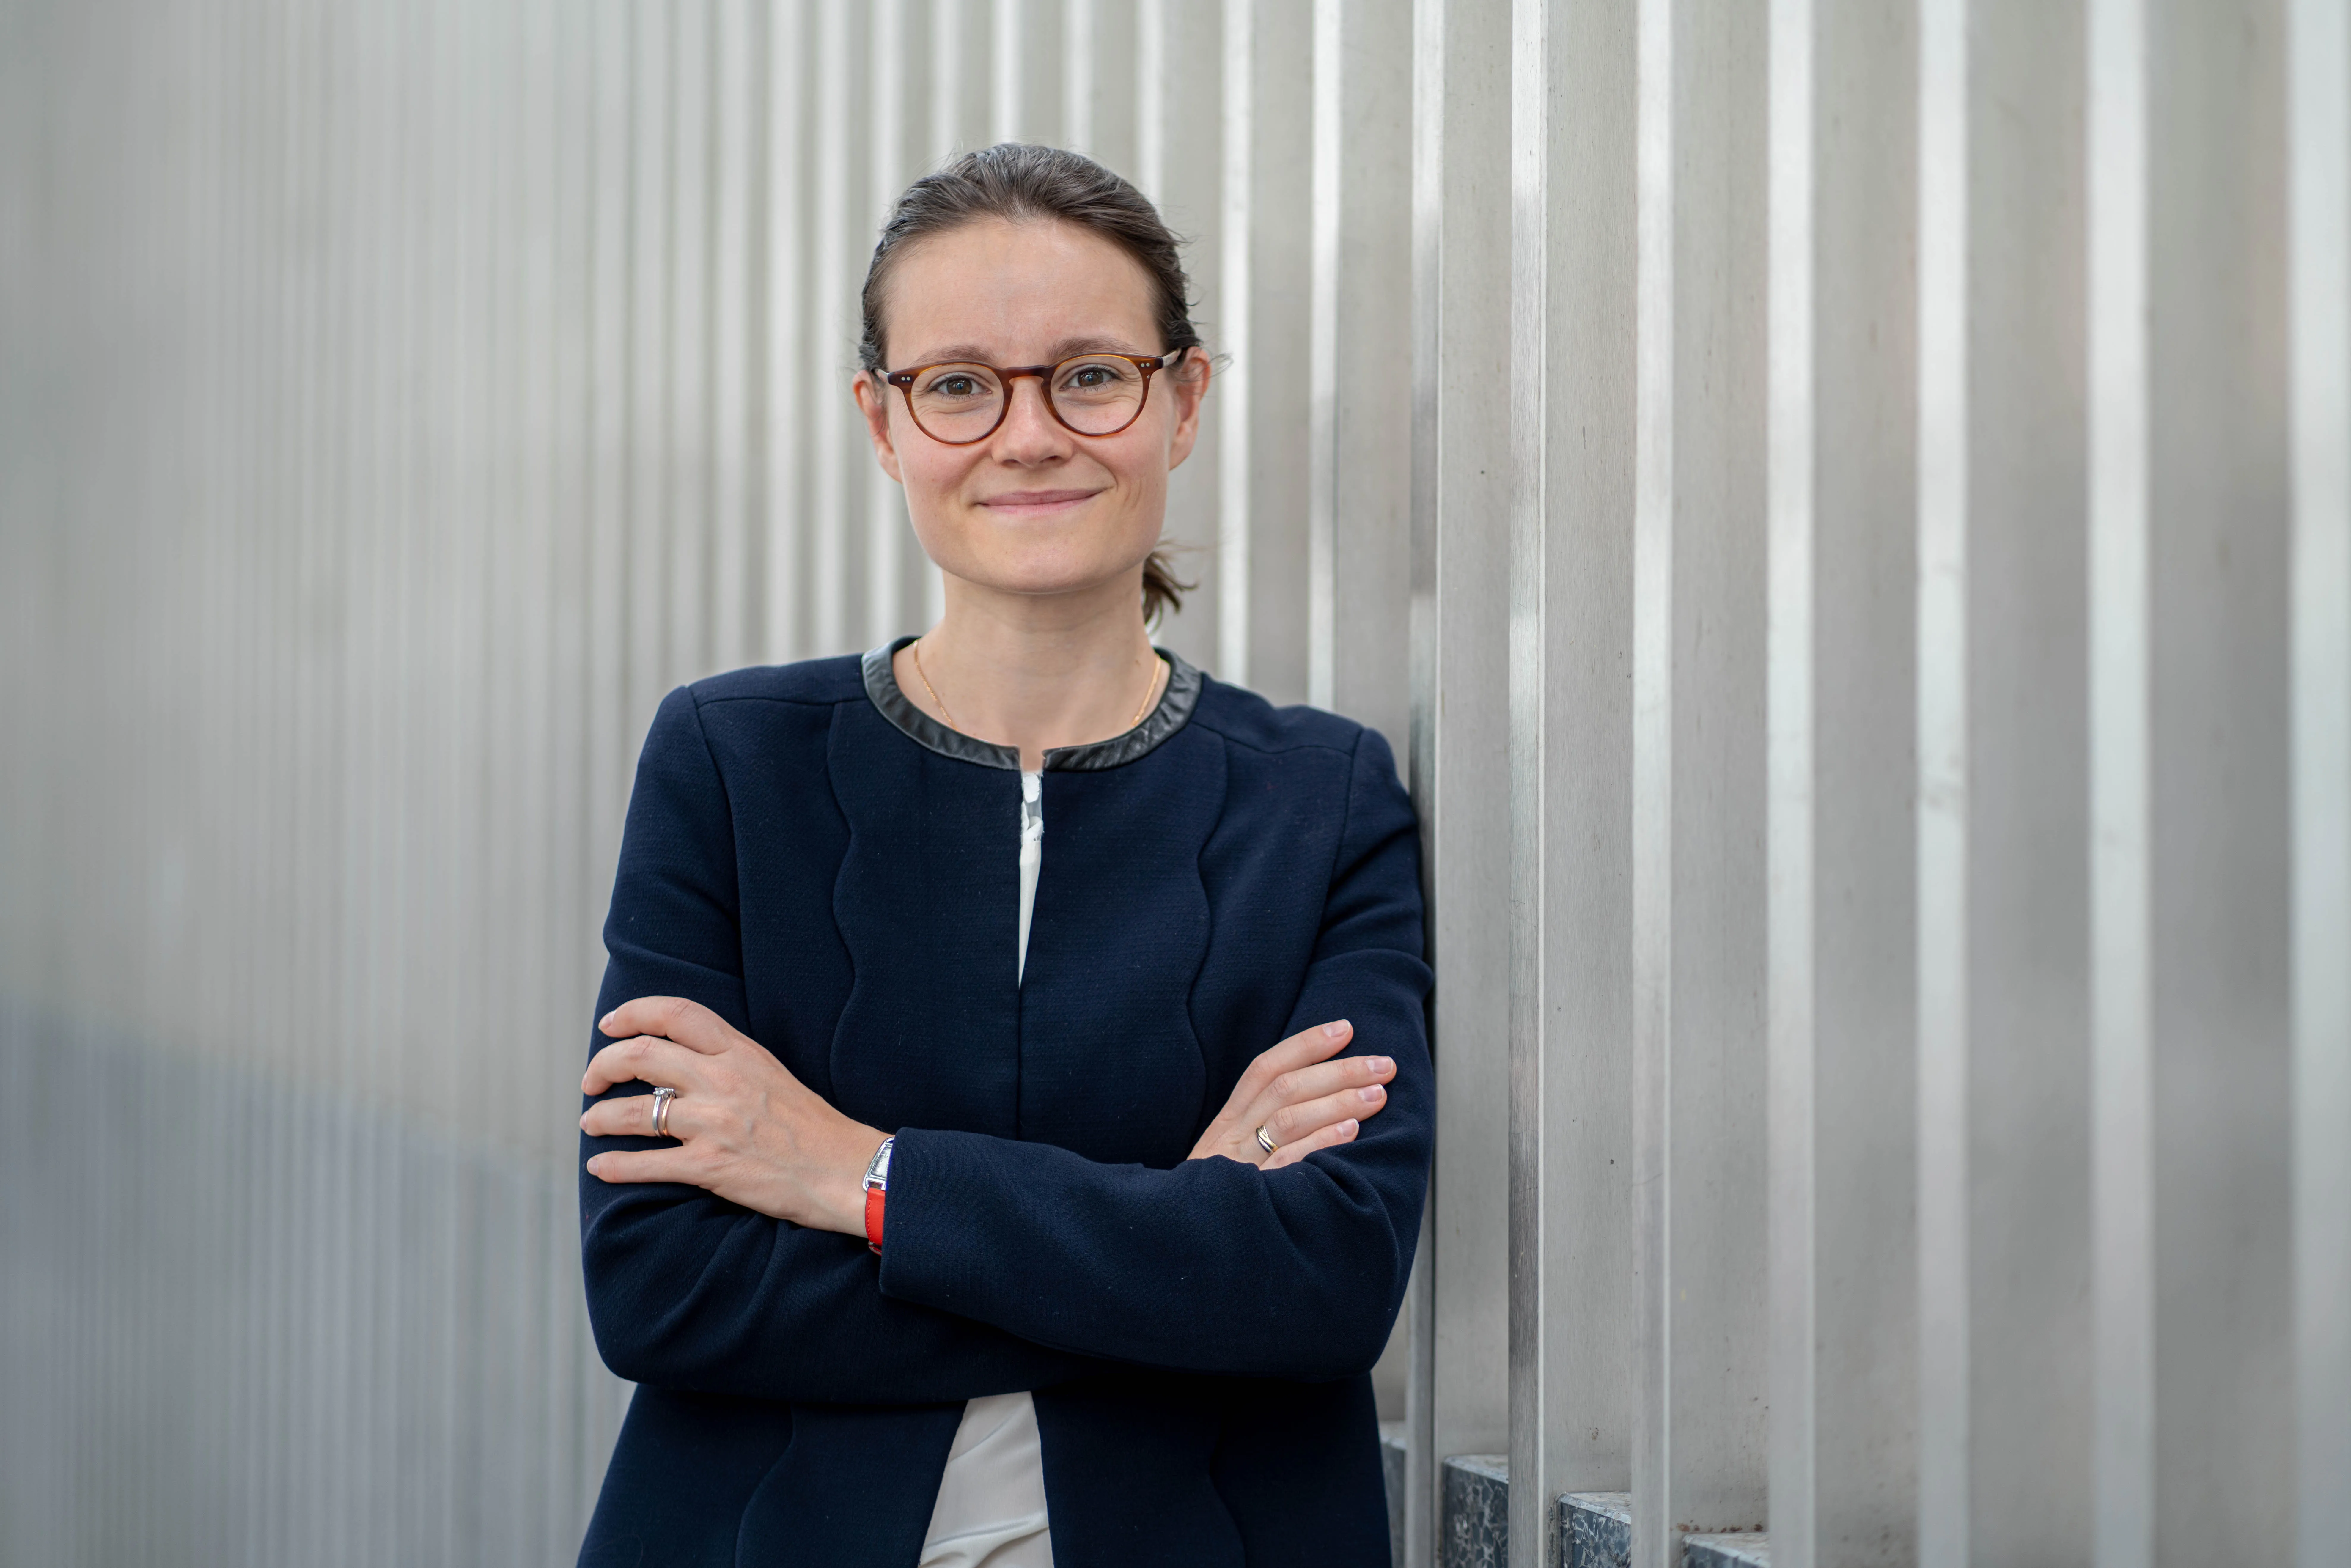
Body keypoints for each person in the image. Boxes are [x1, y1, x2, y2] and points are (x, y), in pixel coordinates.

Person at [573, 143, 1431, 1568]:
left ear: (1183, 400)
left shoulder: (1322, 798)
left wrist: (854, 1174)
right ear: (883, 420)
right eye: (960, 383)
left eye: (1089, 374)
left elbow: (1322, 1285)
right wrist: (1175, 1239)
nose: (1028, 435)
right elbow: (661, 1286)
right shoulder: (733, 762)